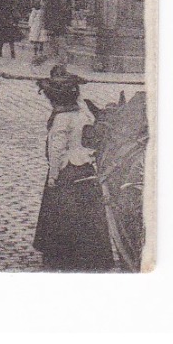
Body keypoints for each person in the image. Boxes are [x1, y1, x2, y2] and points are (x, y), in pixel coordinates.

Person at [33, 66, 116, 271]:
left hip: (67, 169)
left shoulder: (61, 119)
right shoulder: (83, 113)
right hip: (86, 167)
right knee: (89, 214)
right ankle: (93, 255)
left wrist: (53, 176)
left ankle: (62, 257)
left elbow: (56, 150)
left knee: (62, 213)